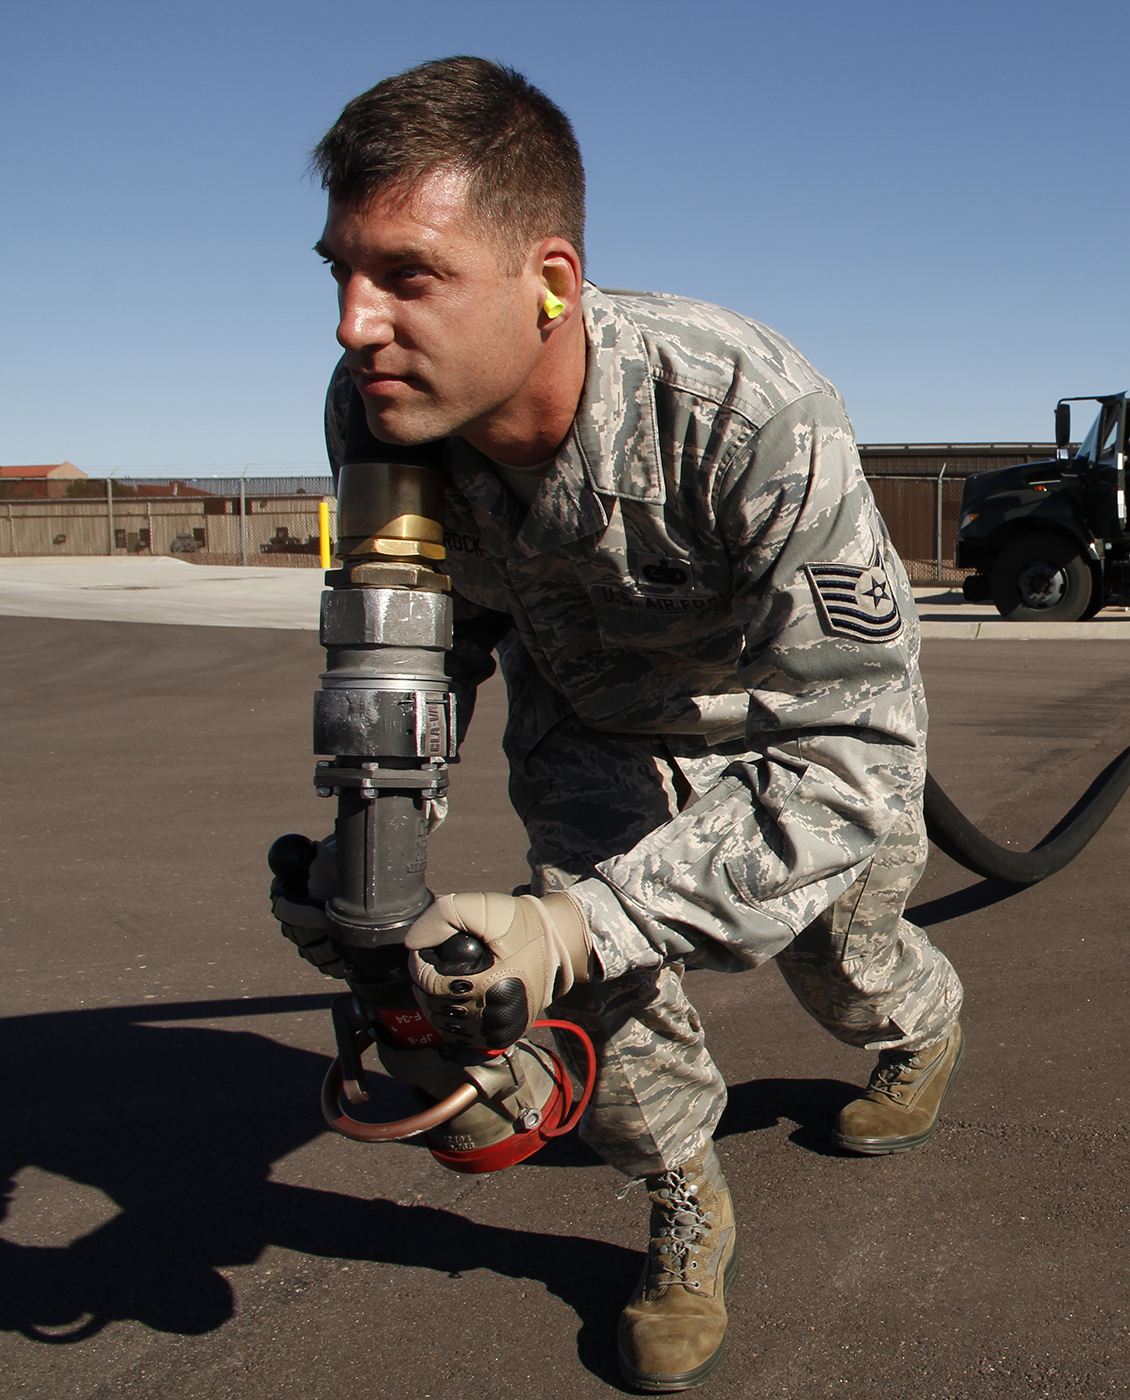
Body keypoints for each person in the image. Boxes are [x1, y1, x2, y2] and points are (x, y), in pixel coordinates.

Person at [286, 55, 965, 1393]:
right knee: (589, 971)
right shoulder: (377, 423)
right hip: (593, 732)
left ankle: (919, 1028)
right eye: (340, 273)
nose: (358, 324)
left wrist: (578, 918)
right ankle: (682, 1201)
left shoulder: (747, 409)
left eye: (409, 275)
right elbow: (412, 655)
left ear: (548, 278)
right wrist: (373, 875)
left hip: (790, 732)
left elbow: (856, 748)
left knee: (844, 963)